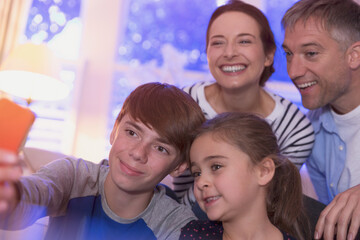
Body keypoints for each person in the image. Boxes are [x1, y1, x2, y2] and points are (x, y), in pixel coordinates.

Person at [0, 82, 206, 240]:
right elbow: (26, 201)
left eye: (160, 148)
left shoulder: (176, 225)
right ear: (115, 130)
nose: (138, 153)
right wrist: (9, 196)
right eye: (132, 133)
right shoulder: (73, 177)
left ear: (179, 166)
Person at [173, 0, 315, 206]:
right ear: (207, 53)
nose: (229, 53)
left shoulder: (295, 129)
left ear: (268, 55)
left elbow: (271, 202)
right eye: (218, 42)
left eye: (244, 41)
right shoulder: (185, 103)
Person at [281, 0, 360, 239]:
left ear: (354, 55)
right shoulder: (309, 130)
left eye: (311, 53)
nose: (293, 71)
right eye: (288, 54)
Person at [180, 112, 311, 240]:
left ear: (263, 171)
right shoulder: (189, 235)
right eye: (197, 173)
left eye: (216, 167)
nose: (201, 182)